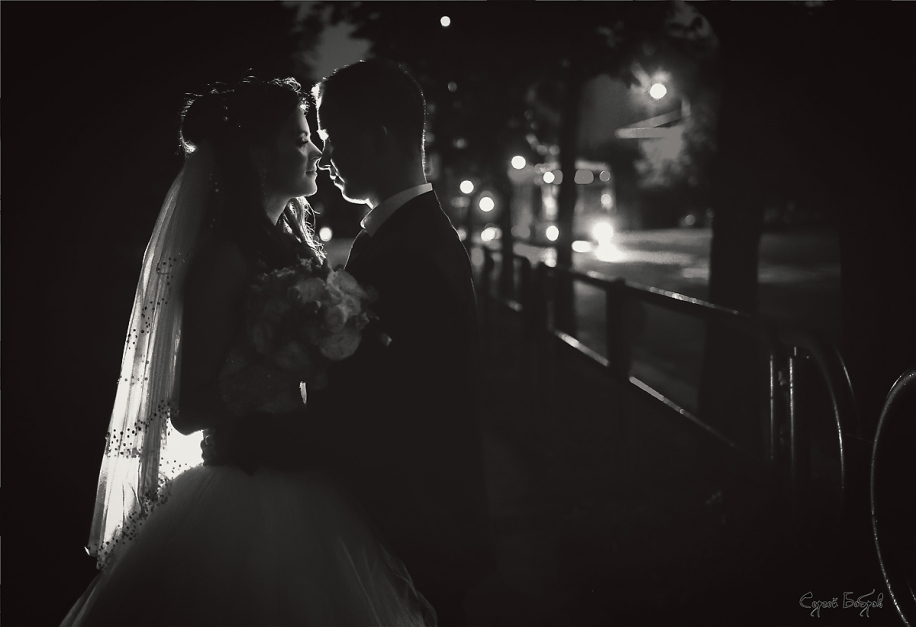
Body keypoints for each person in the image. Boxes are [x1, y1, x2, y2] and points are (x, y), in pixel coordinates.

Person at [61, 76, 435, 626]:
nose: (317, 151)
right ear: (259, 154)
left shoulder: (293, 246)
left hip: (310, 481)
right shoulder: (224, 258)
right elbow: (188, 410)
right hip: (242, 490)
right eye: (300, 138)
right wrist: (289, 362)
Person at [207, 59, 496, 625]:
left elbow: (377, 418)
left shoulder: (408, 258)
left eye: (333, 137)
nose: (325, 153)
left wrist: (255, 443)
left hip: (416, 530)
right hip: (411, 521)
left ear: (377, 139)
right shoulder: (403, 236)